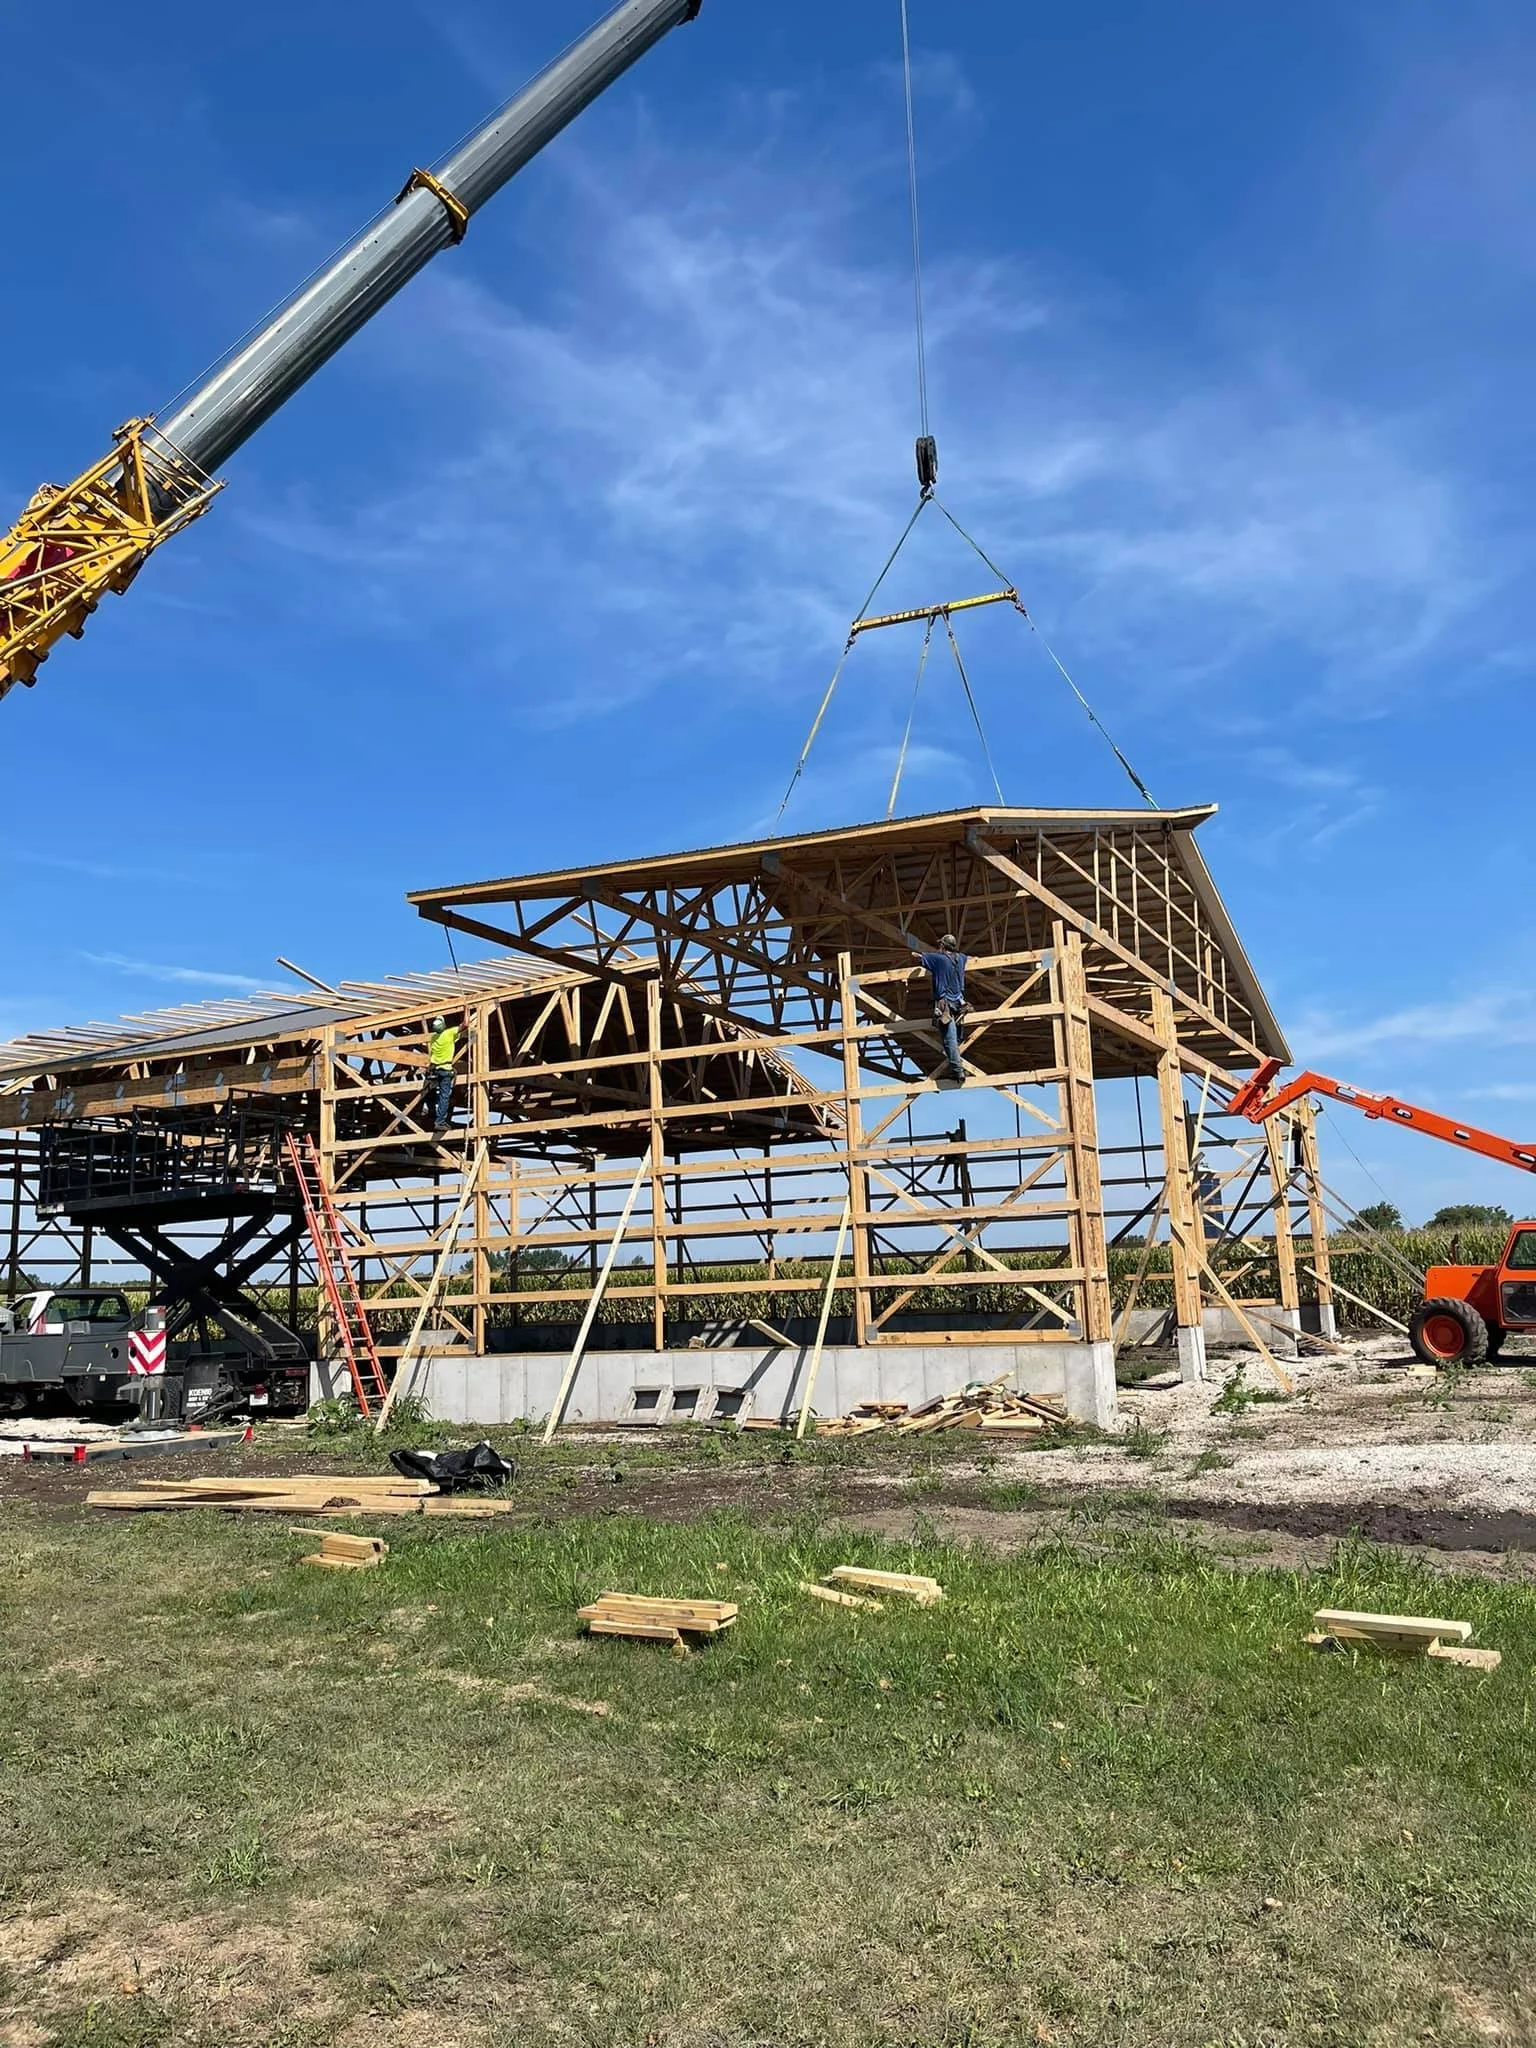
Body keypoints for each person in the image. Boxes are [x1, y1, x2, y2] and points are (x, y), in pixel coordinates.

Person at [915, 932, 968, 1083]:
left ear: (942, 946)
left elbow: (919, 957)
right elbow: (971, 959)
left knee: (949, 1040)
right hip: (959, 1004)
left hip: (944, 1005)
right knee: (956, 1039)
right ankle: (958, 1067)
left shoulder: (938, 958)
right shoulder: (961, 958)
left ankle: (958, 1072)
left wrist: (914, 954)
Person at [423, 1014, 459, 1135]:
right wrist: (467, 1009)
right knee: (444, 1096)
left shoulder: (433, 1038)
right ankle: (440, 1121)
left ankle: (432, 1112)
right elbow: (466, 1024)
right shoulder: (449, 1033)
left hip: (435, 1069)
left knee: (429, 1091)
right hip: (445, 1069)